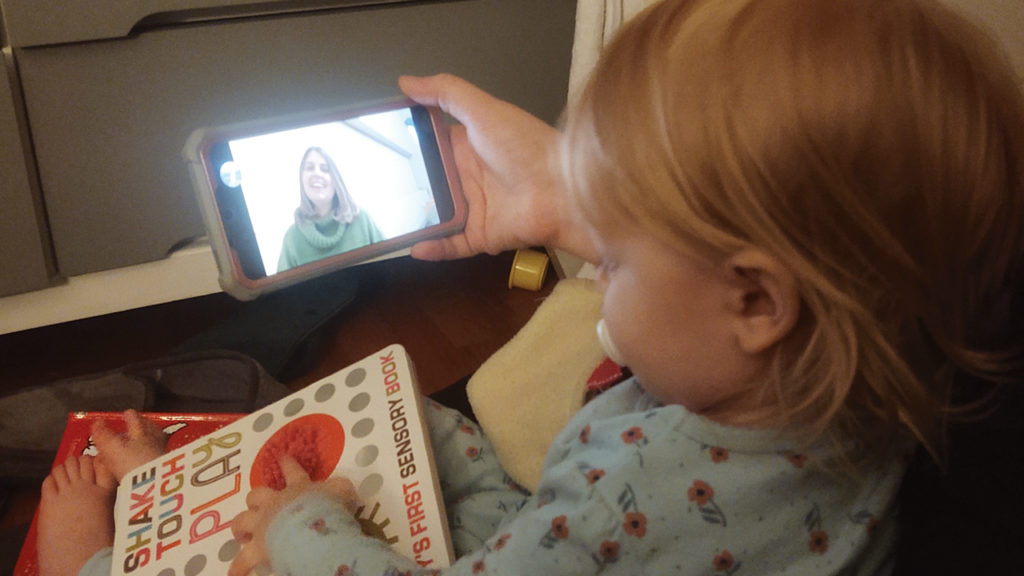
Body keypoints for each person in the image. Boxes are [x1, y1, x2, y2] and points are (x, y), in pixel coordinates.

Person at [36, 0, 1024, 574]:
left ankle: (95, 558)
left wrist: (306, 533)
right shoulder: (867, 379)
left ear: (759, 306)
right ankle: (188, 489)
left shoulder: (626, 516)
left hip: (533, 536)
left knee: (272, 525)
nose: (593, 277)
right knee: (401, 423)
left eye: (615, 259)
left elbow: (580, 525)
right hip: (530, 516)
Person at [277, 146, 385, 273]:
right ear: (302, 179)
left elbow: (390, 267)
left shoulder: (362, 220)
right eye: (310, 168)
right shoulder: (292, 238)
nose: (317, 173)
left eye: (325, 169)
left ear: (336, 180)